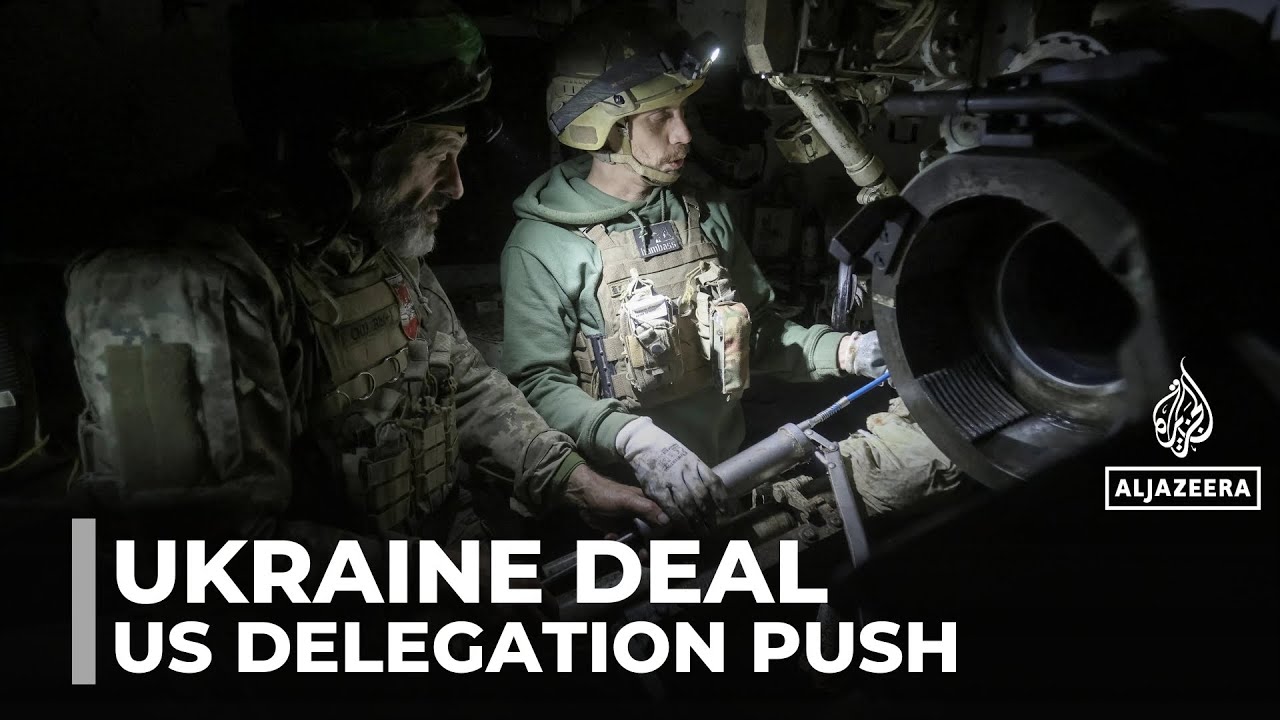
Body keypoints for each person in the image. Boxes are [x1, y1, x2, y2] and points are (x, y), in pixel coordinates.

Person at [61, 0, 666, 574]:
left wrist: (572, 481)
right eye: (435, 155)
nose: (456, 186)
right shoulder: (174, 285)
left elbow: (461, 382)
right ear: (343, 150)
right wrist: (442, 580)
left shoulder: (369, 241)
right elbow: (202, 553)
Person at [499, 3, 900, 533]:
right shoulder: (543, 245)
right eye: (660, 117)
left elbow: (760, 333)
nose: (684, 134)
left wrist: (846, 350)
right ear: (604, 128)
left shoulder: (702, 213)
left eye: (683, 111)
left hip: (731, 472)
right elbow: (537, 384)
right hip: (628, 504)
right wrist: (633, 439)